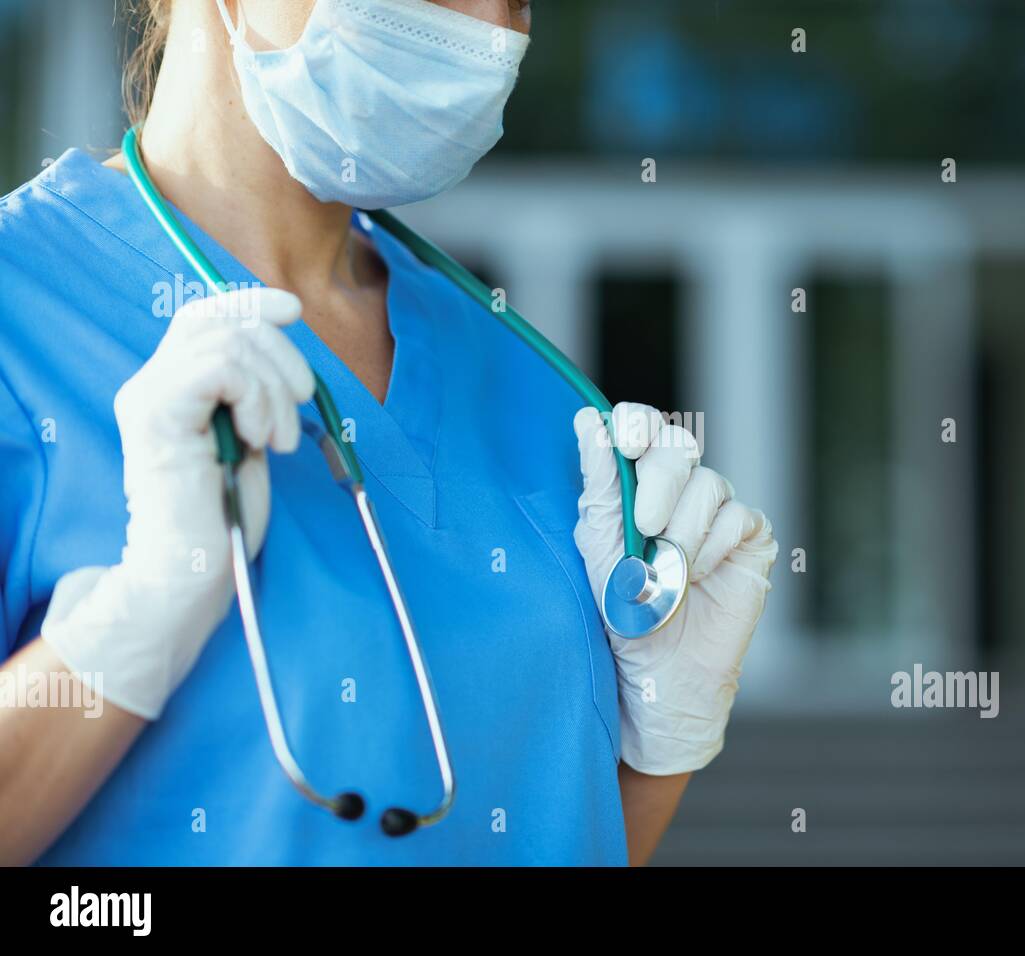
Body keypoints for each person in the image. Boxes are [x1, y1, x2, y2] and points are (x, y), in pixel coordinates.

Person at [0, 0, 777, 865]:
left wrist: (660, 750)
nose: (488, 22)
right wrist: (132, 622)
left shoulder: (523, 374)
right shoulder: (20, 315)